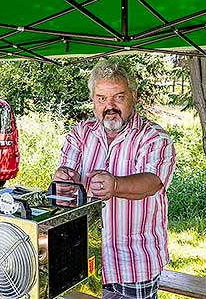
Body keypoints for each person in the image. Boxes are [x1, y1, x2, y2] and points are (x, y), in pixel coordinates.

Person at [53, 59, 176, 299]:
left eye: (118, 97)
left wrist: (116, 185)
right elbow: (66, 172)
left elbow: (153, 182)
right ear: (93, 100)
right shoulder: (81, 132)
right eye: (101, 98)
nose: (110, 106)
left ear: (134, 96)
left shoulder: (154, 137)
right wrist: (65, 180)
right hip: (84, 254)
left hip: (134, 262)